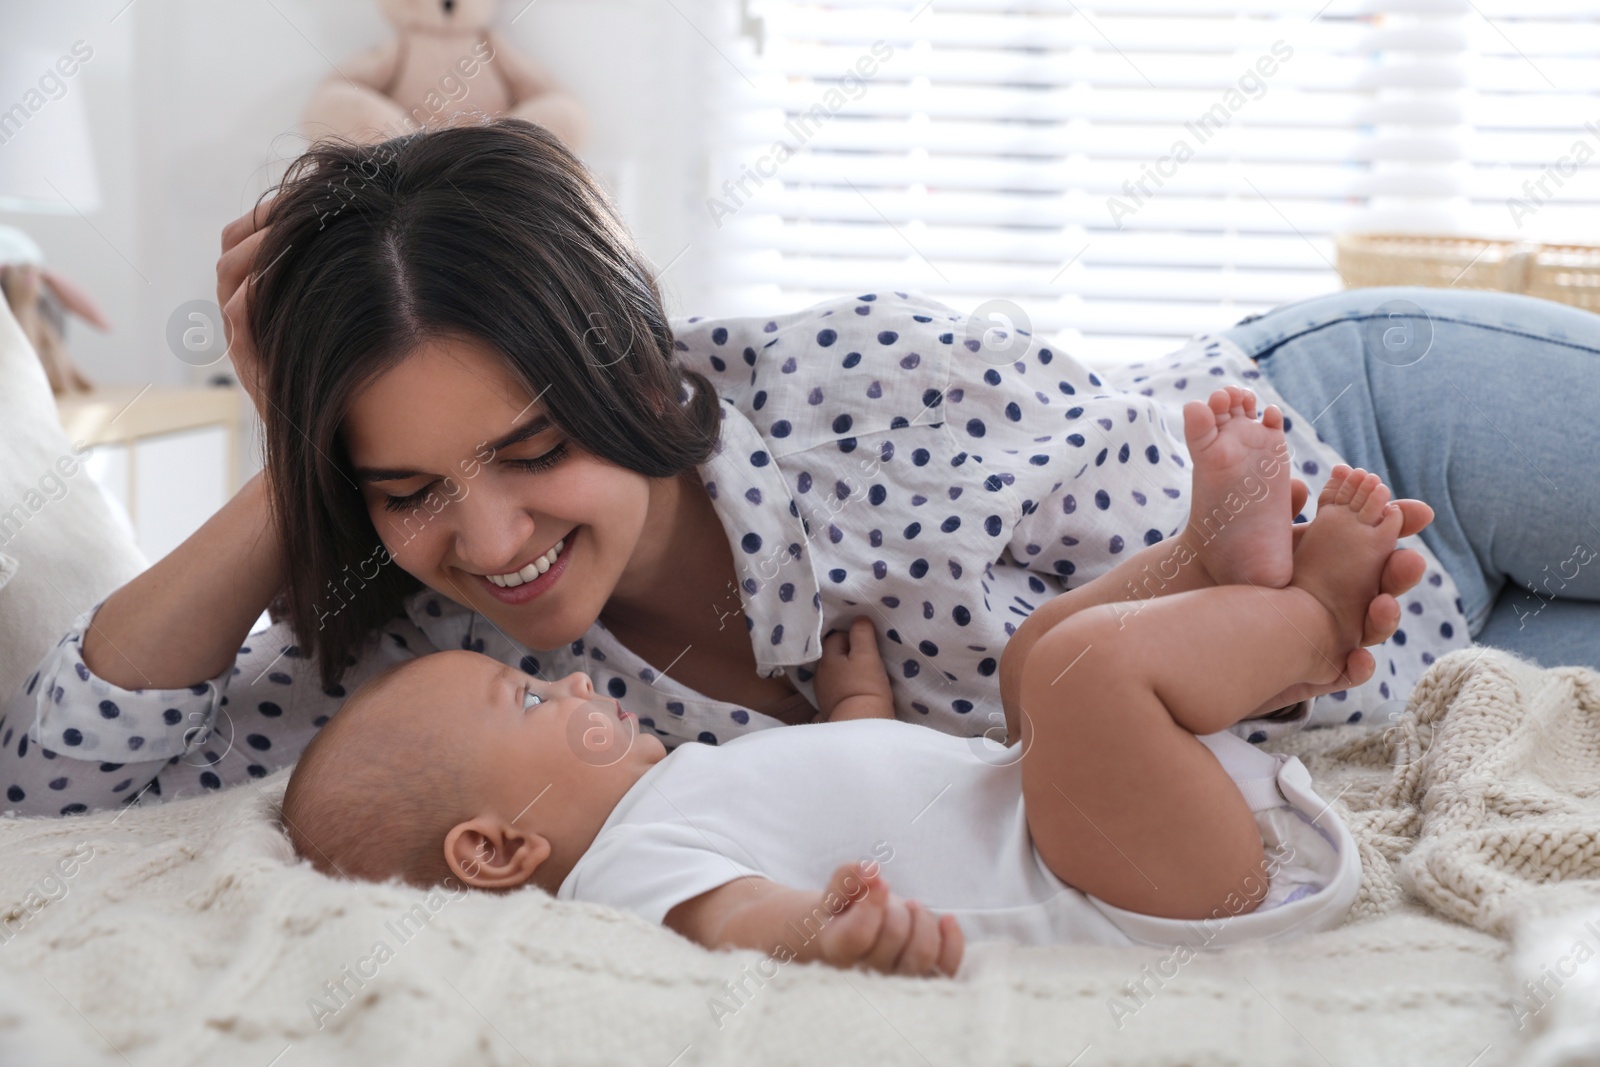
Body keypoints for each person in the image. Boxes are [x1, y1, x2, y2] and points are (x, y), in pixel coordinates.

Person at [4, 115, 1566, 819]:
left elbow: (1231, 562)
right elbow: (57, 782)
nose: (486, 536)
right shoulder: (428, 669)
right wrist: (297, 464)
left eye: (532, 448)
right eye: (409, 487)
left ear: (628, 368)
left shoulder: (863, 386)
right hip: (1445, 682)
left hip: (1379, 435)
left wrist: (1262, 592)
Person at [282, 460, 1418, 975]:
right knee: (1080, 677)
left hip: (1081, 820)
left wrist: (854, 703)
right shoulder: (624, 876)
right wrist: (822, 933)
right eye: (528, 698)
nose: (576, 685)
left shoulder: (682, 791)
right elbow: (739, 922)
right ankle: (1311, 622)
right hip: (1142, 894)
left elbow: (835, 782)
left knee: (1033, 662)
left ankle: (1199, 565)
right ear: (496, 849)